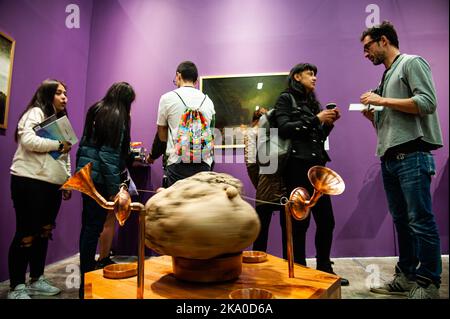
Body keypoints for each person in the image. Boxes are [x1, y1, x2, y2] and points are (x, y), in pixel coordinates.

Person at [359, 21, 443, 299]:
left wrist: (382, 101)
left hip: (413, 156)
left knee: (420, 220)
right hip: (390, 158)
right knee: (403, 222)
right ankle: (406, 277)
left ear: (383, 41)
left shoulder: (411, 63)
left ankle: (429, 283)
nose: (365, 53)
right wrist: (374, 116)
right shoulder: (385, 78)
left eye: (368, 46)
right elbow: (390, 126)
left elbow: (427, 102)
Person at [274, 63, 349, 286]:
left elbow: (315, 136)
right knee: (299, 223)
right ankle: (298, 269)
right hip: (296, 167)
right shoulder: (285, 99)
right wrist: (317, 119)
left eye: (315, 74)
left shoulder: (311, 102)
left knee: (327, 221)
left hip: (317, 170)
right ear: (297, 76)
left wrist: (327, 124)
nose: (314, 78)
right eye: (310, 74)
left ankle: (324, 269)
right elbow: (284, 128)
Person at [8, 79, 72, 299]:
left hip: (53, 184)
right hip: (29, 180)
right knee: (26, 233)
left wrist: (68, 180)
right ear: (47, 94)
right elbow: (27, 140)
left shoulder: (61, 120)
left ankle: (37, 279)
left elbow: (66, 153)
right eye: (59, 93)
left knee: (44, 231)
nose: (64, 97)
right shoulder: (35, 112)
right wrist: (57, 145)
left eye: (65, 93)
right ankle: (16, 286)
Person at [76, 82, 136, 298]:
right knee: (93, 228)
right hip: (100, 180)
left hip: (86, 176)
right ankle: (87, 285)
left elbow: (85, 146)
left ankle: (85, 279)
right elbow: (108, 156)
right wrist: (116, 189)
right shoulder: (118, 117)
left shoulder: (96, 109)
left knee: (88, 229)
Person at [156, 61, 215, 186]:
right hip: (203, 163)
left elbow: (162, 135)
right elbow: (212, 135)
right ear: (196, 80)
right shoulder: (208, 101)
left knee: (176, 204)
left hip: (177, 162)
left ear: (178, 75)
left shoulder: (167, 98)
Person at [244, 107, 286, 252]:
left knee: (261, 231)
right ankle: (290, 264)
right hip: (284, 183)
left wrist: (260, 183)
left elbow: (251, 164)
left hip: (265, 184)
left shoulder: (251, 132)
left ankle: (259, 265)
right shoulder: (277, 131)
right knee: (288, 229)